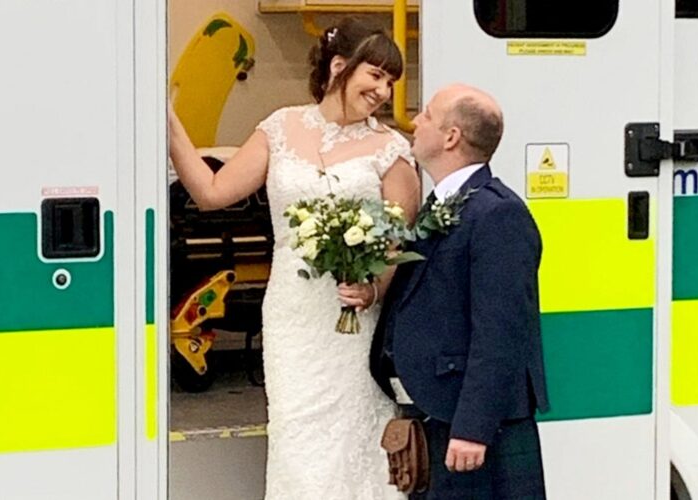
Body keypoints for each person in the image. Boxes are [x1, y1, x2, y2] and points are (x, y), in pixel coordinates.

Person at [168, 17, 420, 500]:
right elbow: (212, 192)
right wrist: (170, 125)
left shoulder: (390, 147)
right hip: (292, 312)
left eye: (391, 81)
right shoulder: (279, 126)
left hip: (352, 317)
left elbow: (397, 238)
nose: (385, 91)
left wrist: (373, 288)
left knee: (354, 433)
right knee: (295, 435)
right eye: (376, 76)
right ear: (340, 67)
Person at [371, 84, 550, 499]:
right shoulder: (442, 206)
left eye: (428, 115)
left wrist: (473, 428)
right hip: (438, 413)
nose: (415, 121)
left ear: (451, 137)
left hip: (471, 428)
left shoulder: (497, 213)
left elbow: (500, 332)